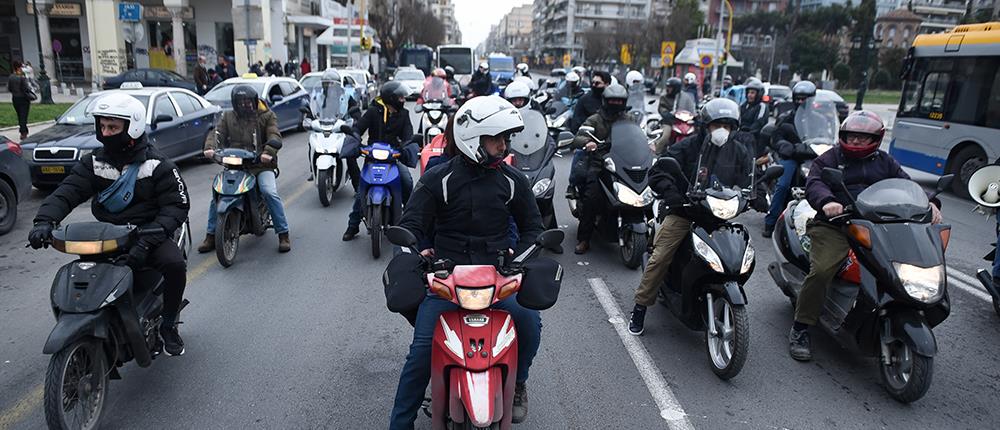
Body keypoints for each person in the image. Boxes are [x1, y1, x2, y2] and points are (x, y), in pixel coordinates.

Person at [389, 95, 543, 428]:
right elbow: (410, 225)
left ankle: (518, 382)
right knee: (421, 354)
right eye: (496, 138)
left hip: (499, 281)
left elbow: (534, 229)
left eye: (505, 138)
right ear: (474, 138)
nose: (503, 146)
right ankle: (399, 423)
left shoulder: (513, 181)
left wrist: (521, 258)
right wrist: (418, 253)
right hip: (447, 282)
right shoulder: (437, 179)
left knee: (530, 325)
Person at [28, 93, 191, 355]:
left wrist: (150, 237)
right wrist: (44, 221)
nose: (106, 132)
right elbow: (66, 192)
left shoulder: (157, 164)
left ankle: (169, 325)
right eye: (102, 126)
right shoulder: (94, 163)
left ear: (133, 128)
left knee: (174, 265)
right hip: (108, 235)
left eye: (113, 127)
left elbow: (177, 205)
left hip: (149, 234)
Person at [788, 110, 942, 361]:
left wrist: (931, 202)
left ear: (876, 139)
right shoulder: (829, 159)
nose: (856, 141)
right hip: (836, 225)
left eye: (862, 137)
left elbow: (906, 185)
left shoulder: (885, 162)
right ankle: (801, 327)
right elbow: (815, 183)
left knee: (900, 266)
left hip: (878, 226)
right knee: (823, 270)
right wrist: (827, 201)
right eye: (851, 136)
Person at [627, 98, 753, 334]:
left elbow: (747, 180)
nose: (721, 130)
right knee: (660, 257)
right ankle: (640, 307)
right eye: (717, 124)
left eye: (727, 124)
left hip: (719, 216)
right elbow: (658, 172)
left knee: (739, 256)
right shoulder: (688, 146)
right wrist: (674, 194)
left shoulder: (739, 151)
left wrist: (758, 195)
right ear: (706, 125)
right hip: (685, 212)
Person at [198, 85, 292, 253]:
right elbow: (216, 133)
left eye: (248, 102)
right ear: (235, 103)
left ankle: (283, 233)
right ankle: (211, 235)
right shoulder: (228, 116)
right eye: (241, 102)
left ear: (254, 101)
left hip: (260, 165)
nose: (246, 105)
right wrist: (210, 147)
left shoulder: (266, 116)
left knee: (268, 191)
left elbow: (274, 134)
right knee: (218, 194)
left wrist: (268, 152)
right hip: (236, 164)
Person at [342, 81, 415, 241]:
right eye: (400, 97)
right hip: (372, 158)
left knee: (407, 182)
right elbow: (358, 128)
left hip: (395, 157)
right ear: (391, 98)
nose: (403, 100)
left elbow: (408, 135)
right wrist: (354, 138)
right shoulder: (373, 111)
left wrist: (407, 146)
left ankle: (411, 221)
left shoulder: (404, 114)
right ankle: (353, 225)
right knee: (361, 190)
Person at [570, 83, 630, 254]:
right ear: (605, 101)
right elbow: (578, 137)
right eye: (613, 101)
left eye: (620, 101)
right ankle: (584, 239)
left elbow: (638, 135)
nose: (616, 104)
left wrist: (648, 144)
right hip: (599, 165)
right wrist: (587, 143)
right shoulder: (595, 119)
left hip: (624, 164)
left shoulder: (628, 119)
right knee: (591, 198)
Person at [762, 80, 817, 238]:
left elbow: (829, 134)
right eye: (798, 98)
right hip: (792, 157)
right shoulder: (786, 118)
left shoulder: (820, 119)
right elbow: (775, 137)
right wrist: (784, 145)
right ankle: (770, 222)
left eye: (804, 98)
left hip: (813, 156)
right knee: (784, 184)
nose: (801, 102)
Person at [565, 71, 610, 200]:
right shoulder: (584, 100)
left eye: (598, 83)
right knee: (579, 155)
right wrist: (586, 141)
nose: (595, 85)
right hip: (591, 143)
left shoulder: (613, 101)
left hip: (612, 144)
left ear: (607, 84)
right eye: (593, 83)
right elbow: (576, 123)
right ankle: (572, 186)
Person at [7, 60, 32, 141]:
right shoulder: (22, 77)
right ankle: (23, 132)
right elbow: (27, 88)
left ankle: (23, 130)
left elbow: (9, 88)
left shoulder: (11, 77)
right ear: (19, 67)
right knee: (23, 116)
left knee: (19, 115)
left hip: (15, 98)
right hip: (24, 98)